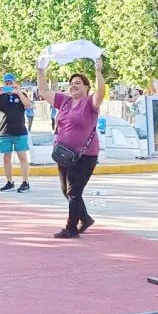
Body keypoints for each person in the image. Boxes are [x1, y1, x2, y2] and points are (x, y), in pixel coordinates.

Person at [38, 57, 105, 239]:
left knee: (74, 191)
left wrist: (98, 71)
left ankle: (71, 227)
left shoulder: (90, 103)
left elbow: (101, 92)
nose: (73, 86)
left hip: (85, 155)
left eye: (78, 83)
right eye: (71, 83)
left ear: (86, 88)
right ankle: (85, 218)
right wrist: (40, 69)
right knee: (66, 191)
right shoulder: (65, 101)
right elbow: (44, 90)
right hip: (64, 154)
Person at [0, 73, 32, 193]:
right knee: (6, 157)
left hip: (20, 131)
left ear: (15, 82)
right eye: (6, 83)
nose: (9, 85)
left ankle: (25, 182)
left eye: (11, 82)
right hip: (4, 131)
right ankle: (9, 182)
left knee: (22, 156)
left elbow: (28, 105)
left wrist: (19, 92)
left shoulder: (21, 95)